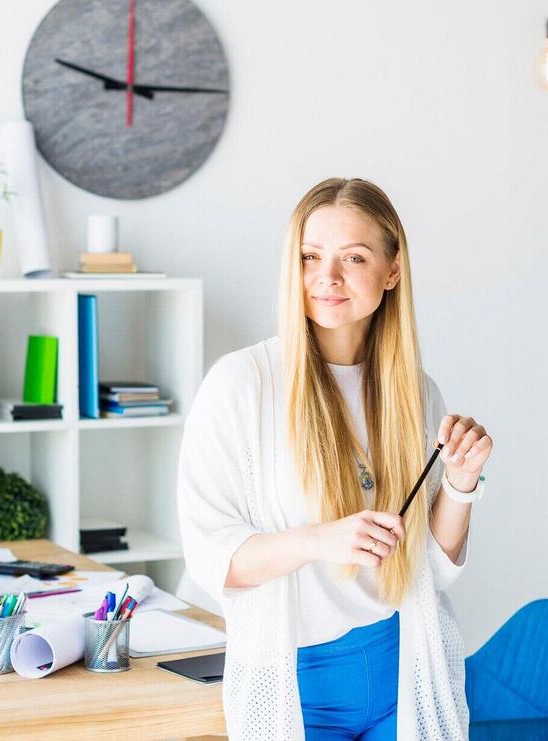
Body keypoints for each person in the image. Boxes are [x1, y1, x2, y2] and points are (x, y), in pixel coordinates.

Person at [177, 178, 494, 740]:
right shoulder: (241, 385)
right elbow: (212, 559)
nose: (328, 276)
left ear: (392, 272)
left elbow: (432, 571)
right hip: (298, 683)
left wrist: (461, 485)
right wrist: (318, 540)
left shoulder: (415, 393)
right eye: (311, 256)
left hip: (404, 665)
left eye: (354, 257)